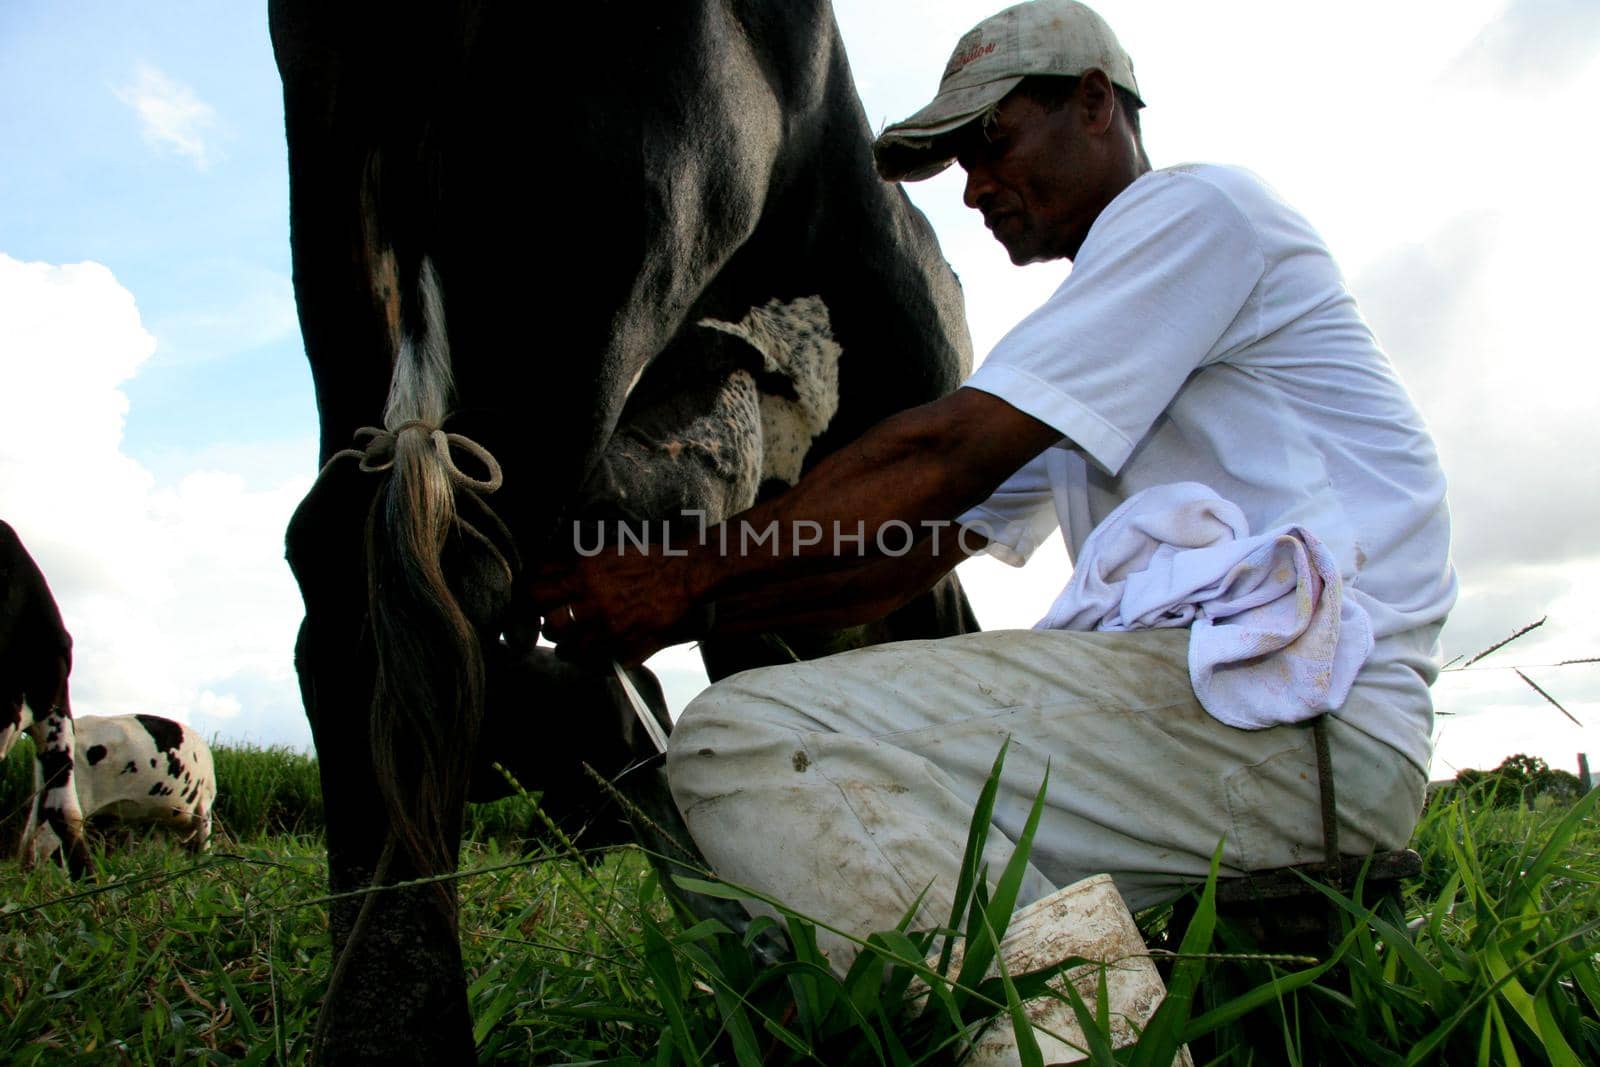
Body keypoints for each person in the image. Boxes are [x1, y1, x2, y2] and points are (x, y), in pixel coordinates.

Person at [532, 0, 1456, 964]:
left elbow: (945, 453)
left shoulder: (1194, 213)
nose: (974, 188)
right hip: (1267, 722)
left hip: (1298, 714)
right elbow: (900, 562)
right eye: (959, 164)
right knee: (803, 785)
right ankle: (1062, 993)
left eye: (992, 141)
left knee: (737, 738)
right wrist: (676, 611)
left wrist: (683, 574)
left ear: (1096, 103)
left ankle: (1051, 1028)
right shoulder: (1112, 335)